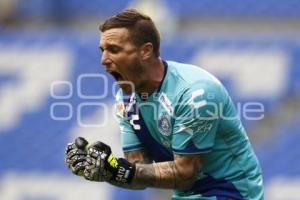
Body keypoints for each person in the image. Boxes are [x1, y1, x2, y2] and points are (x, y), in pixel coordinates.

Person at [65, 9, 264, 200]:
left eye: (114, 50)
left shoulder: (195, 94)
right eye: (102, 51)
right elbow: (138, 171)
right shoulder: (125, 98)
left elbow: (186, 174)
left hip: (230, 194)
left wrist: (119, 170)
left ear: (145, 51)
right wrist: (105, 169)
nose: (103, 60)